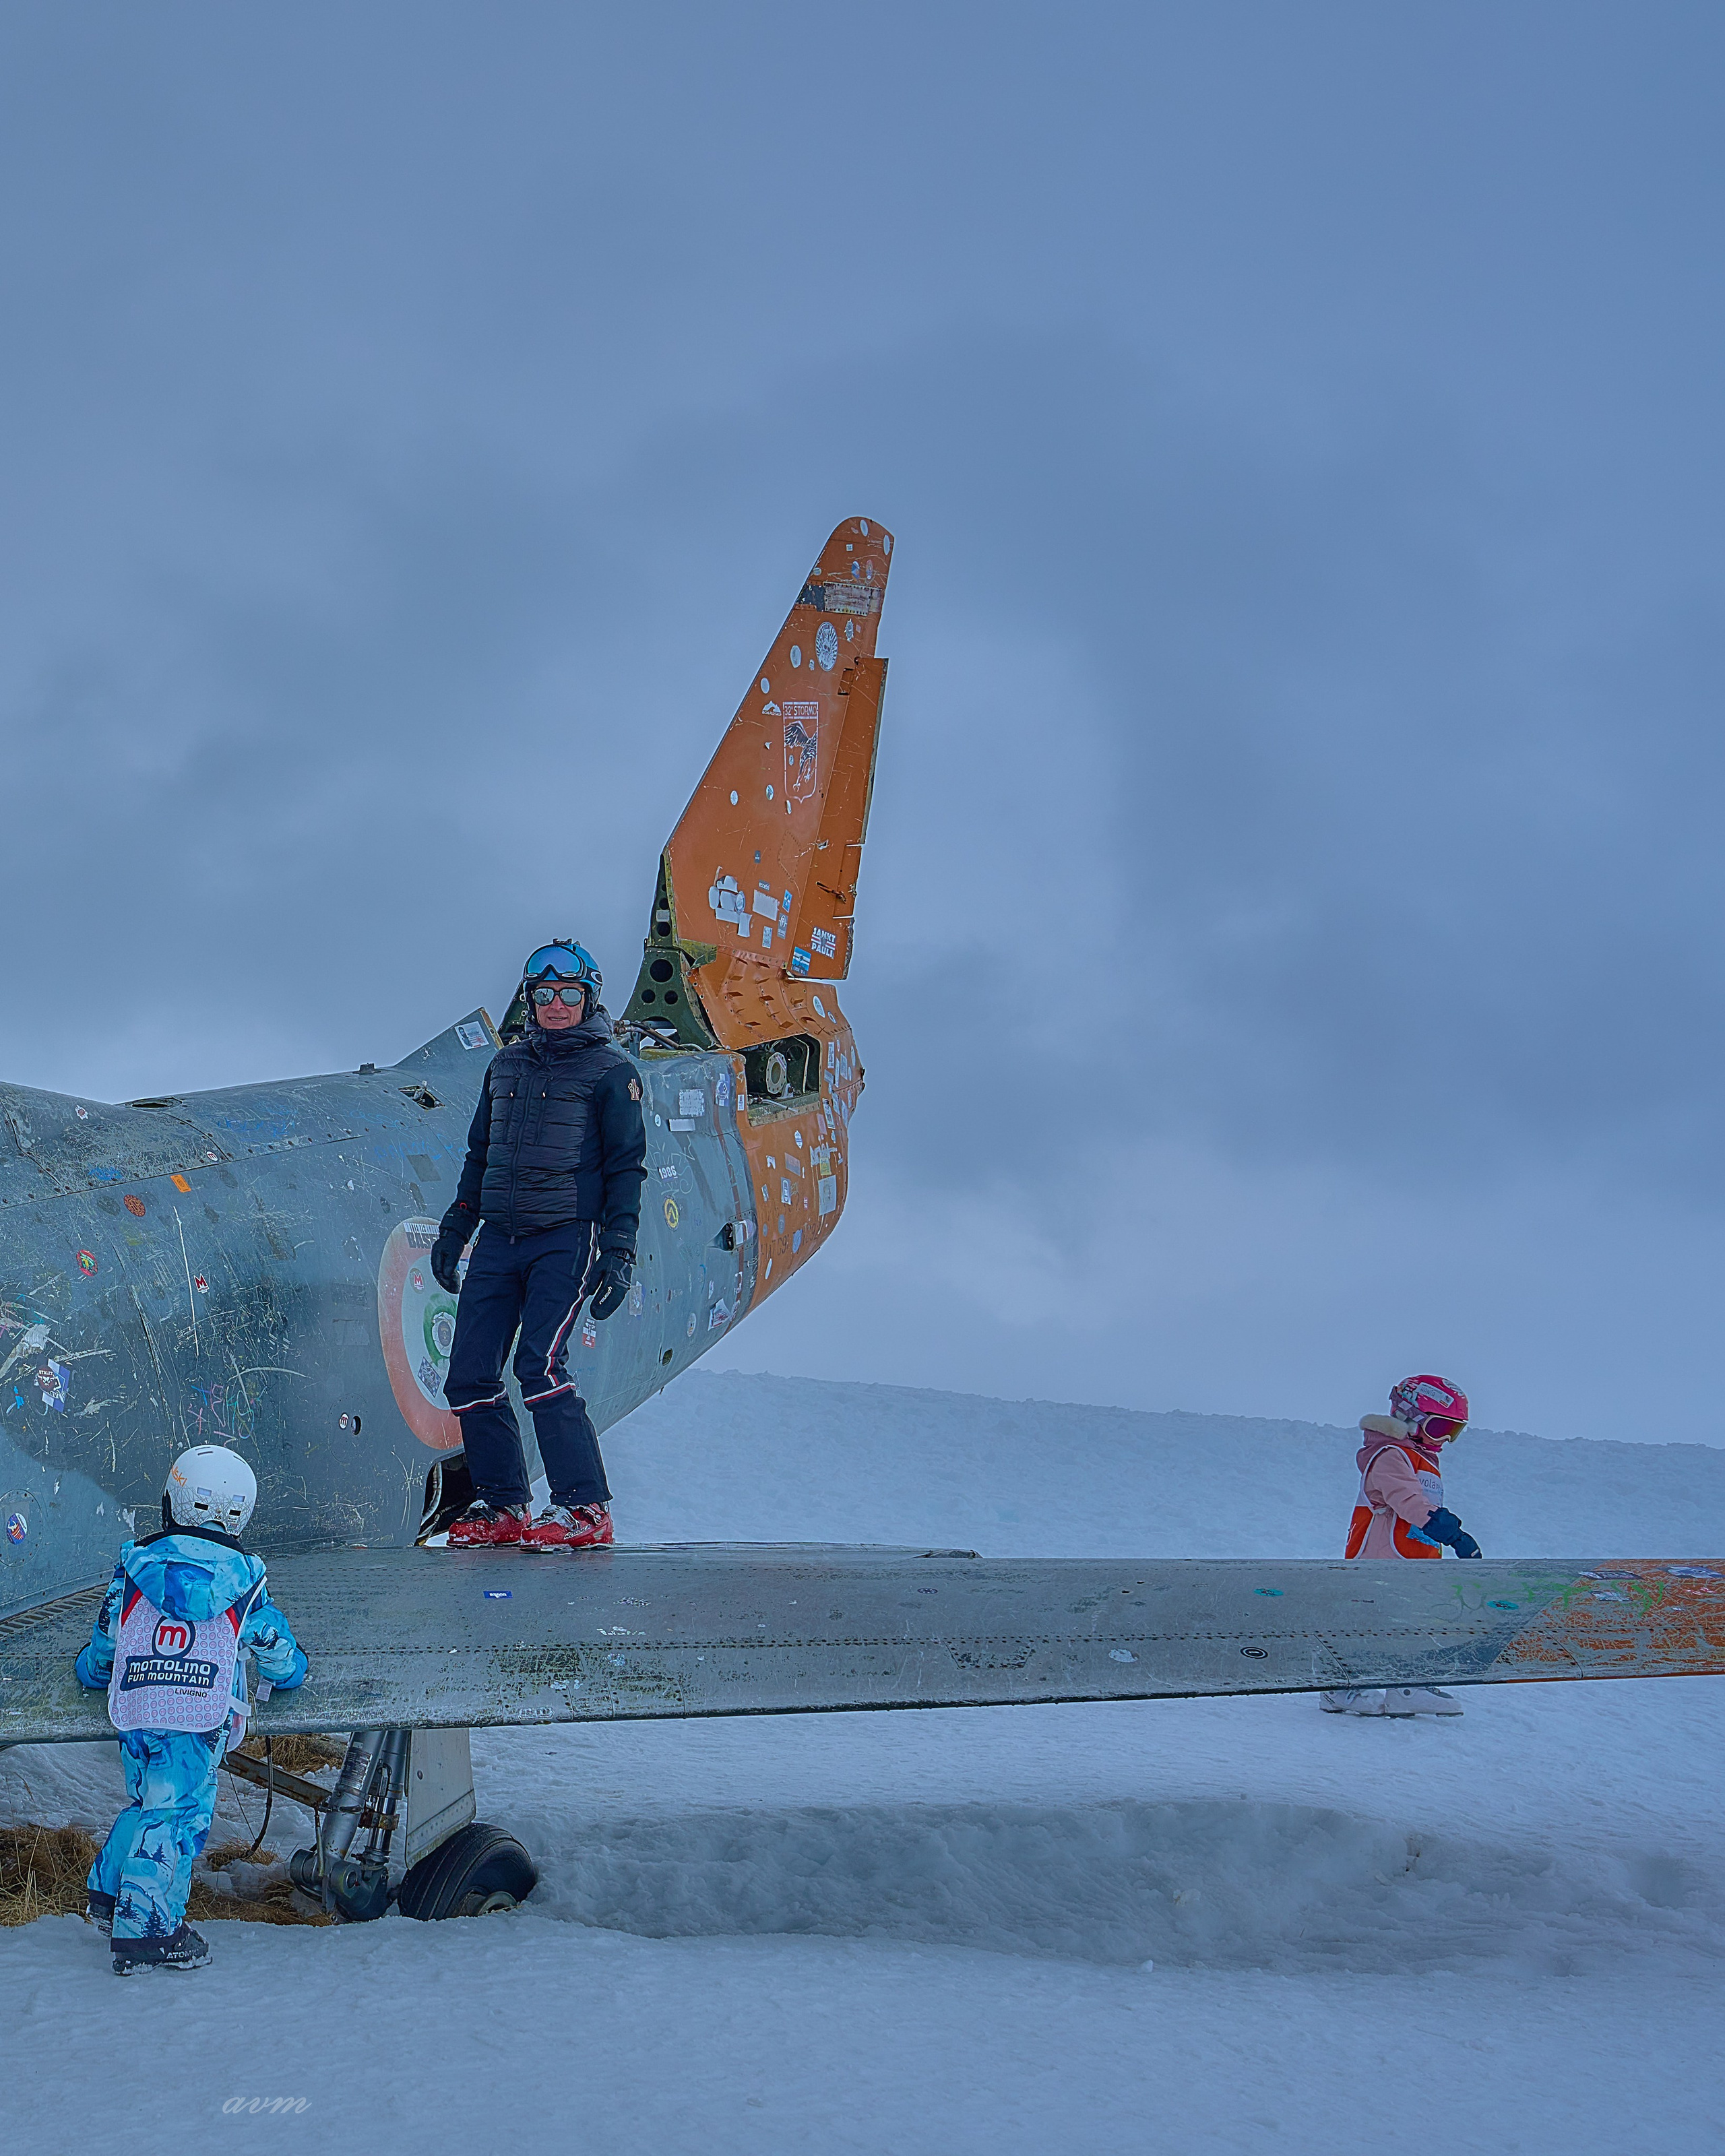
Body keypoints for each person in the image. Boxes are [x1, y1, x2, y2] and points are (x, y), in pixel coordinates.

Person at [432, 940, 647, 1552]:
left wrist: (619, 1249)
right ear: (529, 999)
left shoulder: (611, 1072)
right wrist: (457, 1227)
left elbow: (627, 1166)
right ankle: (505, 1507)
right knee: (470, 1373)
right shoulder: (505, 1067)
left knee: (539, 1366)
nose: (556, 1005)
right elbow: (481, 1154)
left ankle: (585, 1507)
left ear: (589, 1000)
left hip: (565, 1237)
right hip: (500, 1237)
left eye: (570, 995)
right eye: (545, 994)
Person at [74, 1444, 309, 1974]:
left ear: (174, 1501)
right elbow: (271, 1644)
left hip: (137, 1705)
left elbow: (109, 1637)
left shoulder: (135, 1566)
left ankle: (110, 1897)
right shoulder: (242, 1579)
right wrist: (290, 1672)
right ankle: (150, 1932)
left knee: (145, 1804)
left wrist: (90, 1670)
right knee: (177, 1819)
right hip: (196, 1714)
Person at [1321, 1373, 1482, 1719]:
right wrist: (1452, 1533)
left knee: (1414, 1621)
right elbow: (1407, 1501)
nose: (1445, 1441)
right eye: (1440, 1428)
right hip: (1381, 1556)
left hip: (1412, 1556)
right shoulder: (1390, 1454)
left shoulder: (1418, 1457)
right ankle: (1343, 1687)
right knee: (1371, 1622)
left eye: (1454, 1432)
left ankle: (1407, 1687)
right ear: (1409, 1416)